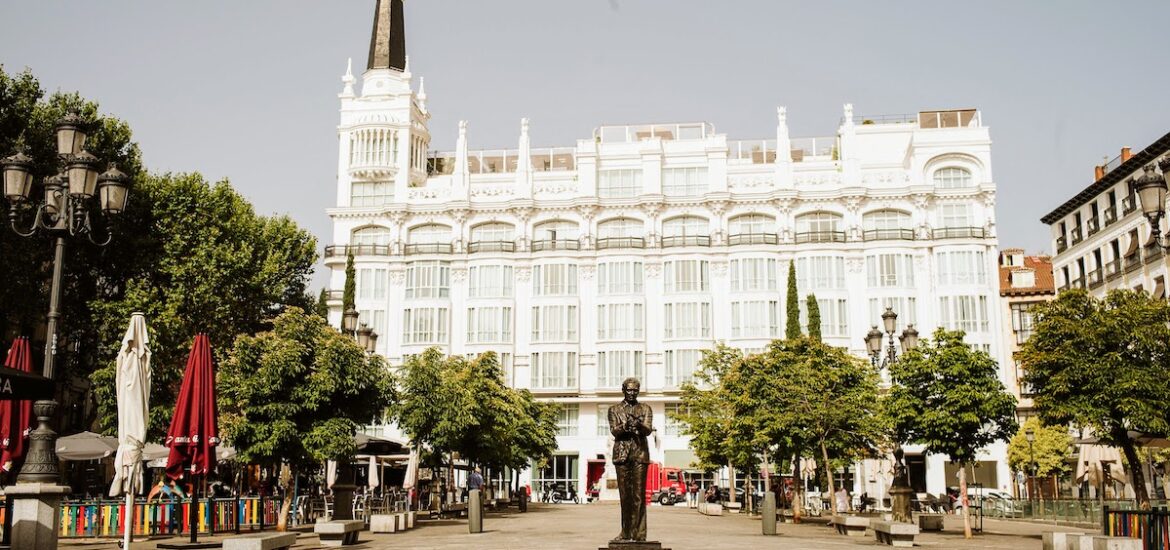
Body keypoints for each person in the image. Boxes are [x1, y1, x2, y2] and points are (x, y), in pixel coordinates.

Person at [608, 377, 653, 543]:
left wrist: (639, 425)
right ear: (623, 390)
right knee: (625, 496)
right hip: (621, 455)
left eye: (635, 390)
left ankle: (639, 534)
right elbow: (614, 431)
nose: (632, 393)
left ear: (638, 391)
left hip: (640, 454)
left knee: (638, 496)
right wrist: (626, 426)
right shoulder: (614, 409)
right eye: (629, 390)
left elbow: (647, 430)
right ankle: (626, 532)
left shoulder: (645, 408)